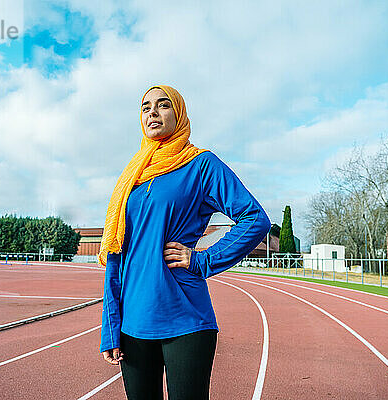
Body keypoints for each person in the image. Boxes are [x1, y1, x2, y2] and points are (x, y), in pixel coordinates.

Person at [99, 84, 270, 400]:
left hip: (187, 321)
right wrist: (110, 326)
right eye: (146, 106)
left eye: (163, 105)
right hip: (133, 325)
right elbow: (115, 255)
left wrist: (203, 259)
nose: (153, 111)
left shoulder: (200, 164)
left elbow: (255, 219)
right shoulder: (130, 179)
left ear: (178, 113)